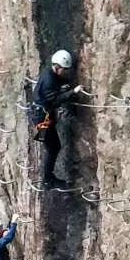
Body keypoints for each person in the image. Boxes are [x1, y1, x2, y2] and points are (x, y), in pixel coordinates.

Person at [33, 50, 81, 188]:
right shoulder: (49, 80)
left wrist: (65, 87)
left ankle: (48, 179)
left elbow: (58, 83)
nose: (66, 72)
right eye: (64, 70)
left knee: (53, 147)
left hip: (42, 116)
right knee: (52, 148)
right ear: (57, 67)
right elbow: (54, 101)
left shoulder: (50, 74)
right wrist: (72, 92)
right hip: (43, 119)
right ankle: (48, 181)